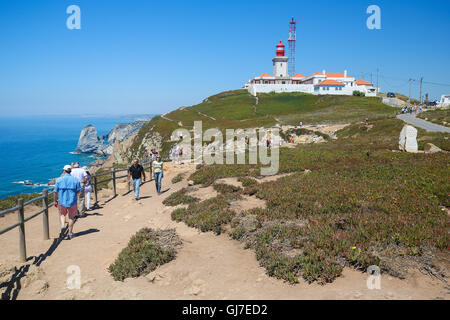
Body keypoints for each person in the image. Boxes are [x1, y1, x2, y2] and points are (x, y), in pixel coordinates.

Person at [54, 165, 81, 240]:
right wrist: (76, 196)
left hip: (62, 201)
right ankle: (70, 233)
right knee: (71, 217)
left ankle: (62, 225)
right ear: (70, 171)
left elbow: (55, 192)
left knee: (62, 214)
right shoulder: (75, 180)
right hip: (72, 201)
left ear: (64, 171)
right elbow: (79, 190)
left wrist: (55, 200)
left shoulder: (59, 180)